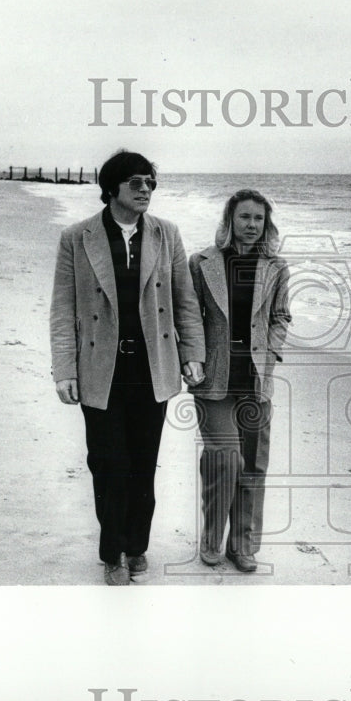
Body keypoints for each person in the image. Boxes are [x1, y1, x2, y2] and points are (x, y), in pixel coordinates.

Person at [50, 150, 205, 585]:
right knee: (106, 463)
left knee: (142, 463)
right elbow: (63, 308)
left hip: (152, 366)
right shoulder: (77, 237)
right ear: (112, 187)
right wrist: (64, 369)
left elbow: (184, 300)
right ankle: (111, 552)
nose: (145, 190)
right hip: (101, 368)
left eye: (150, 184)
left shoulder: (166, 234)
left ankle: (136, 546)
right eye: (136, 182)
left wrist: (193, 355)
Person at [188, 189, 291, 573]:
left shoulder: (277, 267)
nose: (251, 225)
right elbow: (189, 315)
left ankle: (243, 545)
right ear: (229, 220)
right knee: (224, 459)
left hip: (256, 379)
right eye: (244, 217)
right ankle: (212, 539)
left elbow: (281, 317)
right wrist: (191, 357)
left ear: (267, 224)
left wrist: (271, 353)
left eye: (258, 219)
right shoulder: (201, 263)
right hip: (214, 377)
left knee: (253, 464)